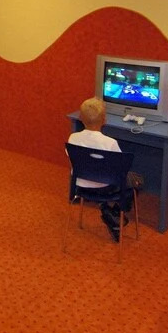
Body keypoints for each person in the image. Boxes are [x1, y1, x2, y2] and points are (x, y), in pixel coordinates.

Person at [67, 98, 126, 240]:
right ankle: (114, 212)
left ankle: (107, 209)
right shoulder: (111, 143)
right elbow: (121, 167)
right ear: (104, 120)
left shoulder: (73, 138)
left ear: (80, 118)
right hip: (106, 186)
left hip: (80, 185)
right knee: (136, 181)